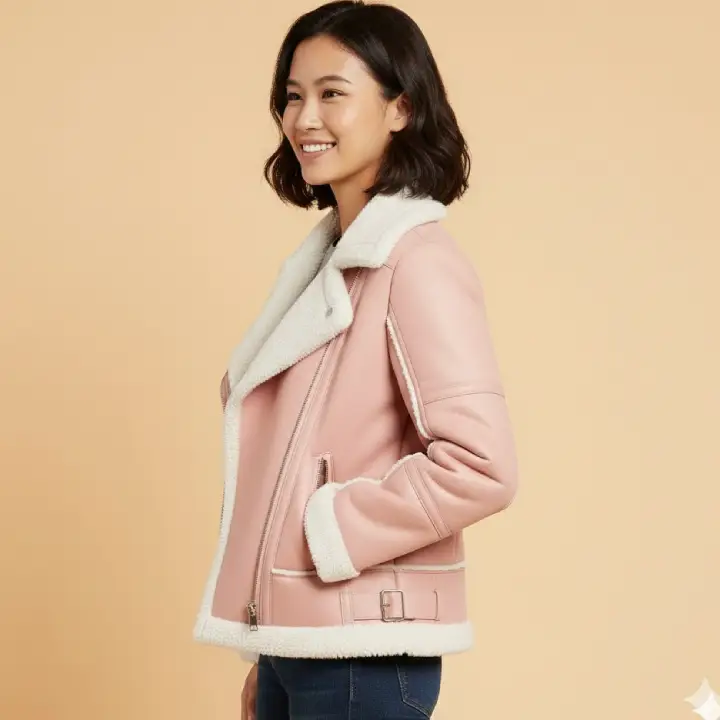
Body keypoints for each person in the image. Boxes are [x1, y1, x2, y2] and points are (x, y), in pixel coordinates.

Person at [193, 1, 519, 717]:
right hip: (304, 642)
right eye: (292, 96)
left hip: (363, 650)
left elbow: (483, 465)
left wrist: (331, 529)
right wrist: (271, 644)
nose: (304, 118)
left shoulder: (415, 262)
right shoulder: (330, 262)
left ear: (402, 107)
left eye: (332, 93)